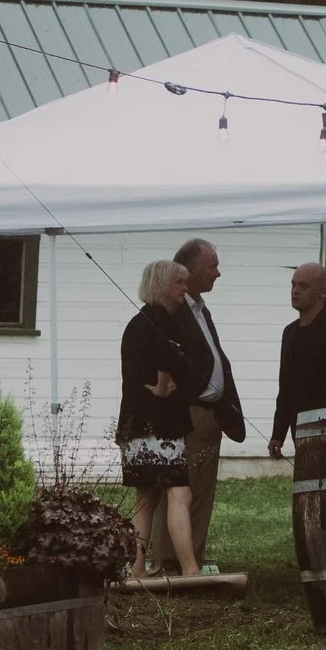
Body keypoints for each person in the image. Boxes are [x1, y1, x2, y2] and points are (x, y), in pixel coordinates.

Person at [149, 238, 246, 571]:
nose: (218, 273)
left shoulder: (201, 309)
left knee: (201, 492)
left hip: (210, 415)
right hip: (187, 414)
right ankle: (169, 564)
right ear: (188, 271)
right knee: (178, 490)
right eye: (213, 266)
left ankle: (193, 560)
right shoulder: (172, 311)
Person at [118, 260, 202, 579]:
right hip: (161, 424)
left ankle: (136, 569)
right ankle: (191, 570)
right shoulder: (163, 321)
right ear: (162, 285)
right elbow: (167, 359)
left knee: (146, 496)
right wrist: (166, 386)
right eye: (179, 283)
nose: (184, 289)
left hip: (134, 423)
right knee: (180, 493)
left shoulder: (137, 322)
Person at [268, 263, 326, 458]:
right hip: (300, 426)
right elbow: (285, 386)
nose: (295, 291)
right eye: (293, 285)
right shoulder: (290, 333)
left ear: (322, 292)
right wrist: (278, 434)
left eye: (304, 286)